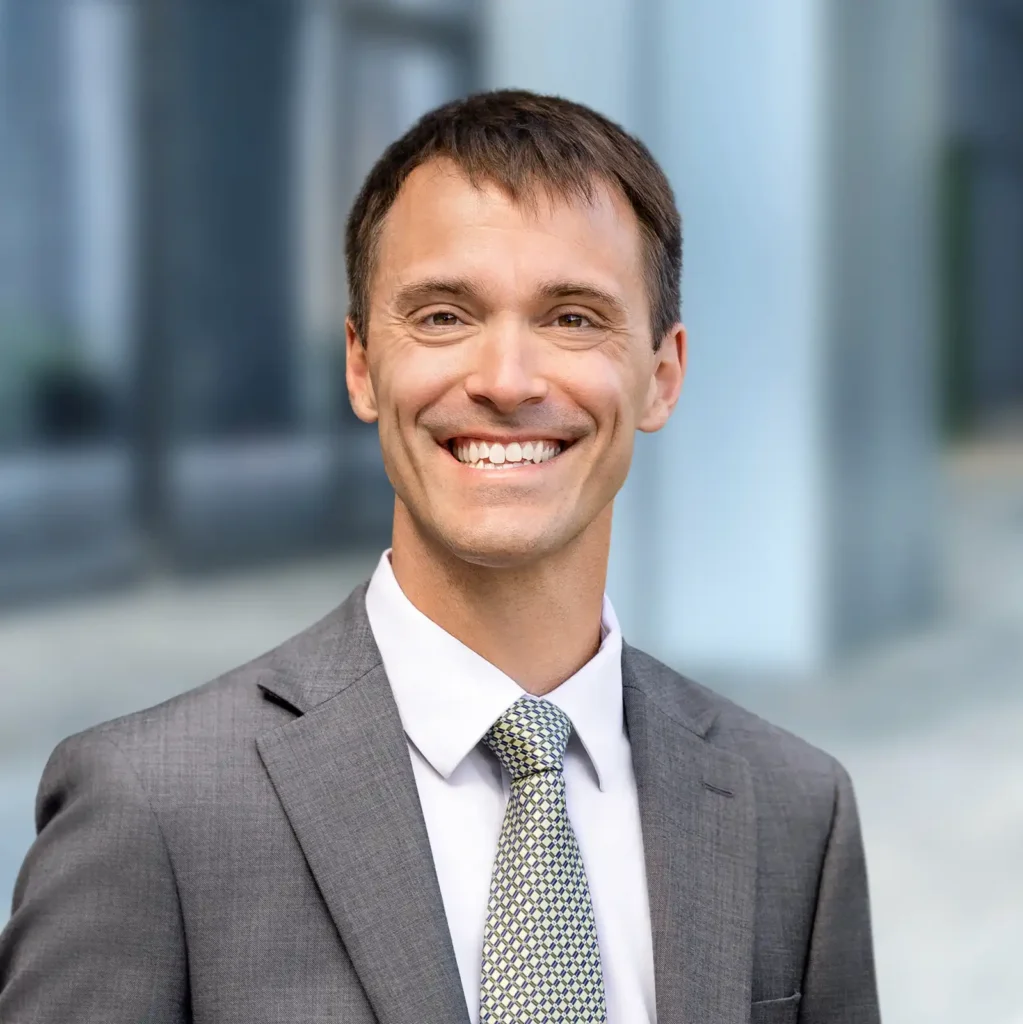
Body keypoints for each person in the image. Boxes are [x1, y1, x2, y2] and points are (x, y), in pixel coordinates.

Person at [0, 90, 880, 1024]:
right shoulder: (151, 810)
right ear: (360, 364)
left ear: (661, 375)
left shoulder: (792, 812)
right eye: (444, 316)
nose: (505, 381)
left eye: (574, 318)